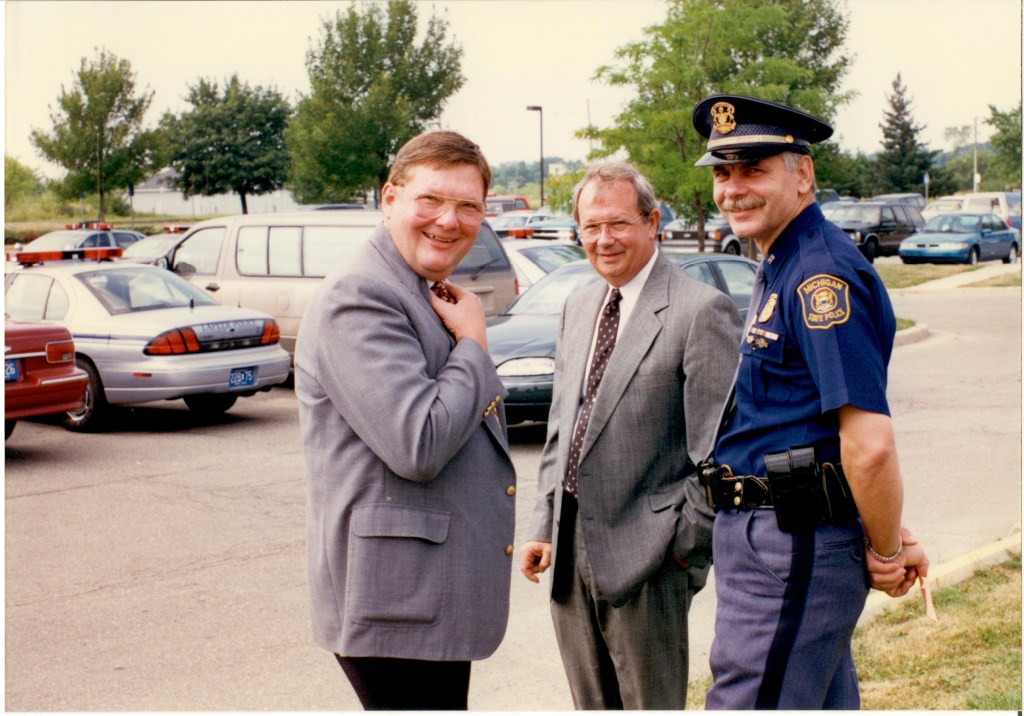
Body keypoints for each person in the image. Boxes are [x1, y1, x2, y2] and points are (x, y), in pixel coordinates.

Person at [690, 94, 930, 710]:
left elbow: (869, 446)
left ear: (803, 175)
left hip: (788, 545)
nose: (732, 189)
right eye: (722, 173)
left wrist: (885, 550)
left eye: (753, 169)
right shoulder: (783, 259)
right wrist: (874, 527)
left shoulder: (820, 275)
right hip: (779, 535)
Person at [295, 130, 516, 711]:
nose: (449, 220)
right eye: (431, 199)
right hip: (395, 602)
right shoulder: (360, 294)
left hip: (420, 596)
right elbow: (419, 443)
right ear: (389, 197)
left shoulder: (412, 285)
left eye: (468, 205)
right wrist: (473, 344)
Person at [520, 161, 743, 709]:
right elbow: (562, 429)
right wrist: (544, 526)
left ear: (653, 222)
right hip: (569, 554)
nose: (604, 239)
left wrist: (683, 551)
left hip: (651, 559)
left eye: (618, 223)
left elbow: (719, 453)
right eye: (591, 227)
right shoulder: (579, 306)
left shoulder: (700, 310)